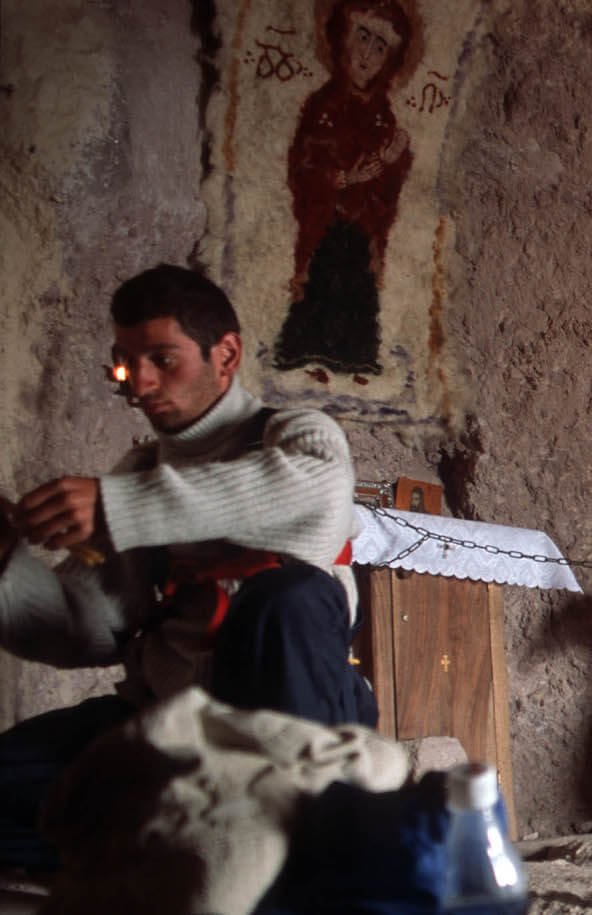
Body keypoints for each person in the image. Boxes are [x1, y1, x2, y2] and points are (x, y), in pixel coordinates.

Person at [0, 264, 374, 871]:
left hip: (294, 723)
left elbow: (316, 497)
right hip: (178, 722)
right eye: (125, 362)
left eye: (162, 360)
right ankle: (194, 845)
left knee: (290, 595)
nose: (139, 383)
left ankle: (300, 850)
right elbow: (94, 628)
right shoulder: (139, 472)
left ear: (225, 355)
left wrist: (117, 508)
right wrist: (5, 565)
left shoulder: (295, 435)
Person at [274, 0, 416, 377]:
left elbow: (388, 180)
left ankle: (353, 358)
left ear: (391, 60)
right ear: (341, 38)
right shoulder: (322, 105)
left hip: (361, 225)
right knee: (322, 286)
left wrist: (391, 160)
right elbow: (303, 164)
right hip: (327, 223)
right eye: (363, 37)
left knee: (357, 290)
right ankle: (305, 355)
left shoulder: (383, 114)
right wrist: (339, 179)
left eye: (380, 47)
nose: (367, 54)